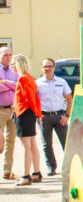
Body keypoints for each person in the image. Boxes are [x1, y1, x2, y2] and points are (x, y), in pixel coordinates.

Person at [36, 57, 73, 176]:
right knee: (46, 144)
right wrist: (38, 116)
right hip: (44, 117)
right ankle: (51, 167)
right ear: (42, 68)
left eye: (50, 66)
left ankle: (70, 166)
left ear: (54, 67)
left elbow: (69, 99)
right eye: (45, 66)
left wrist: (67, 115)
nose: (48, 68)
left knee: (66, 142)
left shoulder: (61, 82)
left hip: (59, 116)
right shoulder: (37, 84)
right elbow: (34, 101)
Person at [12, 54, 42, 186]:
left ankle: (26, 175)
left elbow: (30, 98)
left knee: (26, 147)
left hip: (24, 113)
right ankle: (36, 172)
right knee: (33, 145)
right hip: (29, 113)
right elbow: (35, 98)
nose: (12, 66)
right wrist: (38, 114)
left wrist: (37, 113)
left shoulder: (23, 79)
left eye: (14, 63)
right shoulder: (30, 78)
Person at [0, 45, 18, 180]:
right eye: (5, 54)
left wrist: (6, 83)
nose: (8, 57)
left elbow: (18, 86)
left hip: (13, 110)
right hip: (0, 111)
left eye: (10, 54)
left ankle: (7, 170)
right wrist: (11, 85)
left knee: (10, 141)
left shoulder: (13, 72)